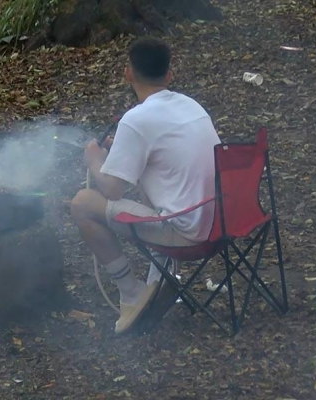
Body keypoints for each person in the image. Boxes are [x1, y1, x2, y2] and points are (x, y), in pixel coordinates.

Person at [70, 37, 221, 334]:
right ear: (169, 75)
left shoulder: (136, 120)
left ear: (128, 73)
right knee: (155, 183)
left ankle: (131, 293)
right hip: (222, 221)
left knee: (82, 204)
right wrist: (123, 153)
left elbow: (113, 191)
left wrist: (94, 161)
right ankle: (158, 282)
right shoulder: (191, 105)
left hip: (187, 232)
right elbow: (166, 161)